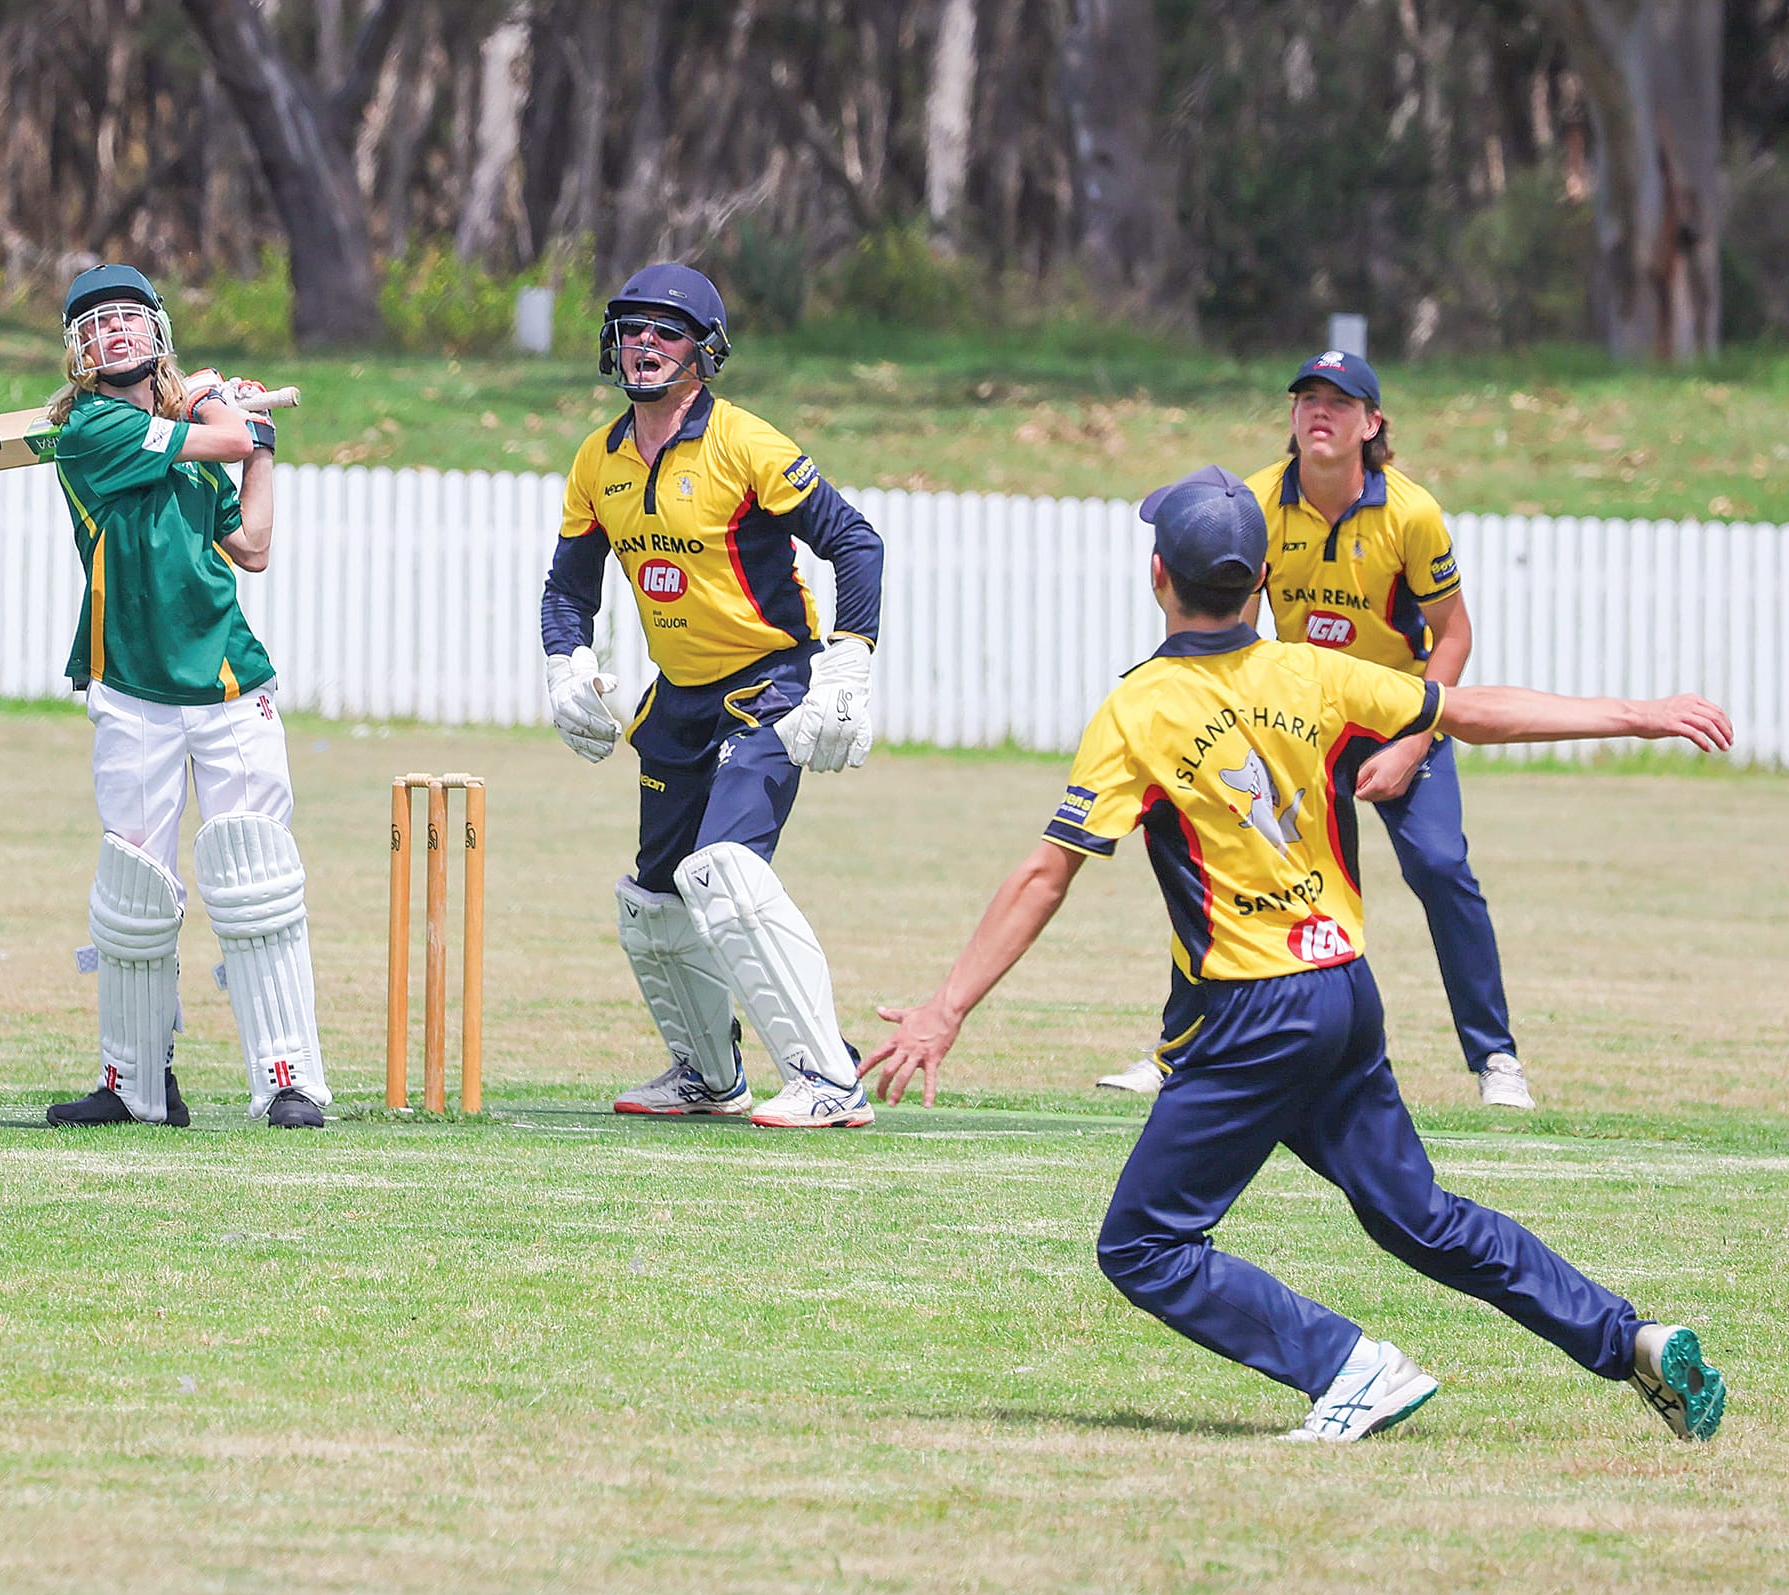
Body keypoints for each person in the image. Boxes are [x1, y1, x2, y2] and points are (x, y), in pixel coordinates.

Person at [864, 466, 1729, 1443]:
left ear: (1157, 575)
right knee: (1419, 1219)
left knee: (1144, 1244)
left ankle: (1350, 1370)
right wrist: (1637, 713)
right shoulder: (1311, 673)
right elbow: (1471, 710)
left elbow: (1044, 874)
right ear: (1263, 577)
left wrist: (946, 1008)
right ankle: (1632, 1340)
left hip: (1252, 1015)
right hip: (1341, 994)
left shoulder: (1137, 710)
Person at [1102, 351, 1534, 1109]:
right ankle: (1176, 1053)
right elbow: (1236, 616)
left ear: (1373, 424)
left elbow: (1453, 635)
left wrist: (1410, 744)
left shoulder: (1412, 513)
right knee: (1228, 865)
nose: (1318, 411)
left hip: (1397, 714)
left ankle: (1495, 1059)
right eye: (1306, 398)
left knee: (1440, 867)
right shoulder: (1259, 500)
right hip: (1304, 715)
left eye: (1340, 400)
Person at [539, 263, 885, 1128]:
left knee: (725, 874)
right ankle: (709, 1074)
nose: (644, 344)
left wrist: (848, 663)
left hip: (769, 687)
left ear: (705, 349)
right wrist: (565, 664)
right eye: (631, 328)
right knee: (653, 905)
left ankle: (829, 1080)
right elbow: (567, 591)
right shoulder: (598, 458)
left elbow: (856, 543)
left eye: (666, 330)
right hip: (681, 700)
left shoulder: (747, 444)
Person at [41, 263, 330, 1131]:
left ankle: (289, 1079)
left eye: (129, 318)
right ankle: (135, 1086)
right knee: (134, 890)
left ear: (157, 332)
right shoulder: (87, 432)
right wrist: (218, 408)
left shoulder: (190, 433)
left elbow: (251, 545)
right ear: (78, 352)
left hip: (229, 682)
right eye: (96, 325)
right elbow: (222, 440)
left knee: (255, 876)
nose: (114, 333)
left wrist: (261, 442)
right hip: (130, 685)